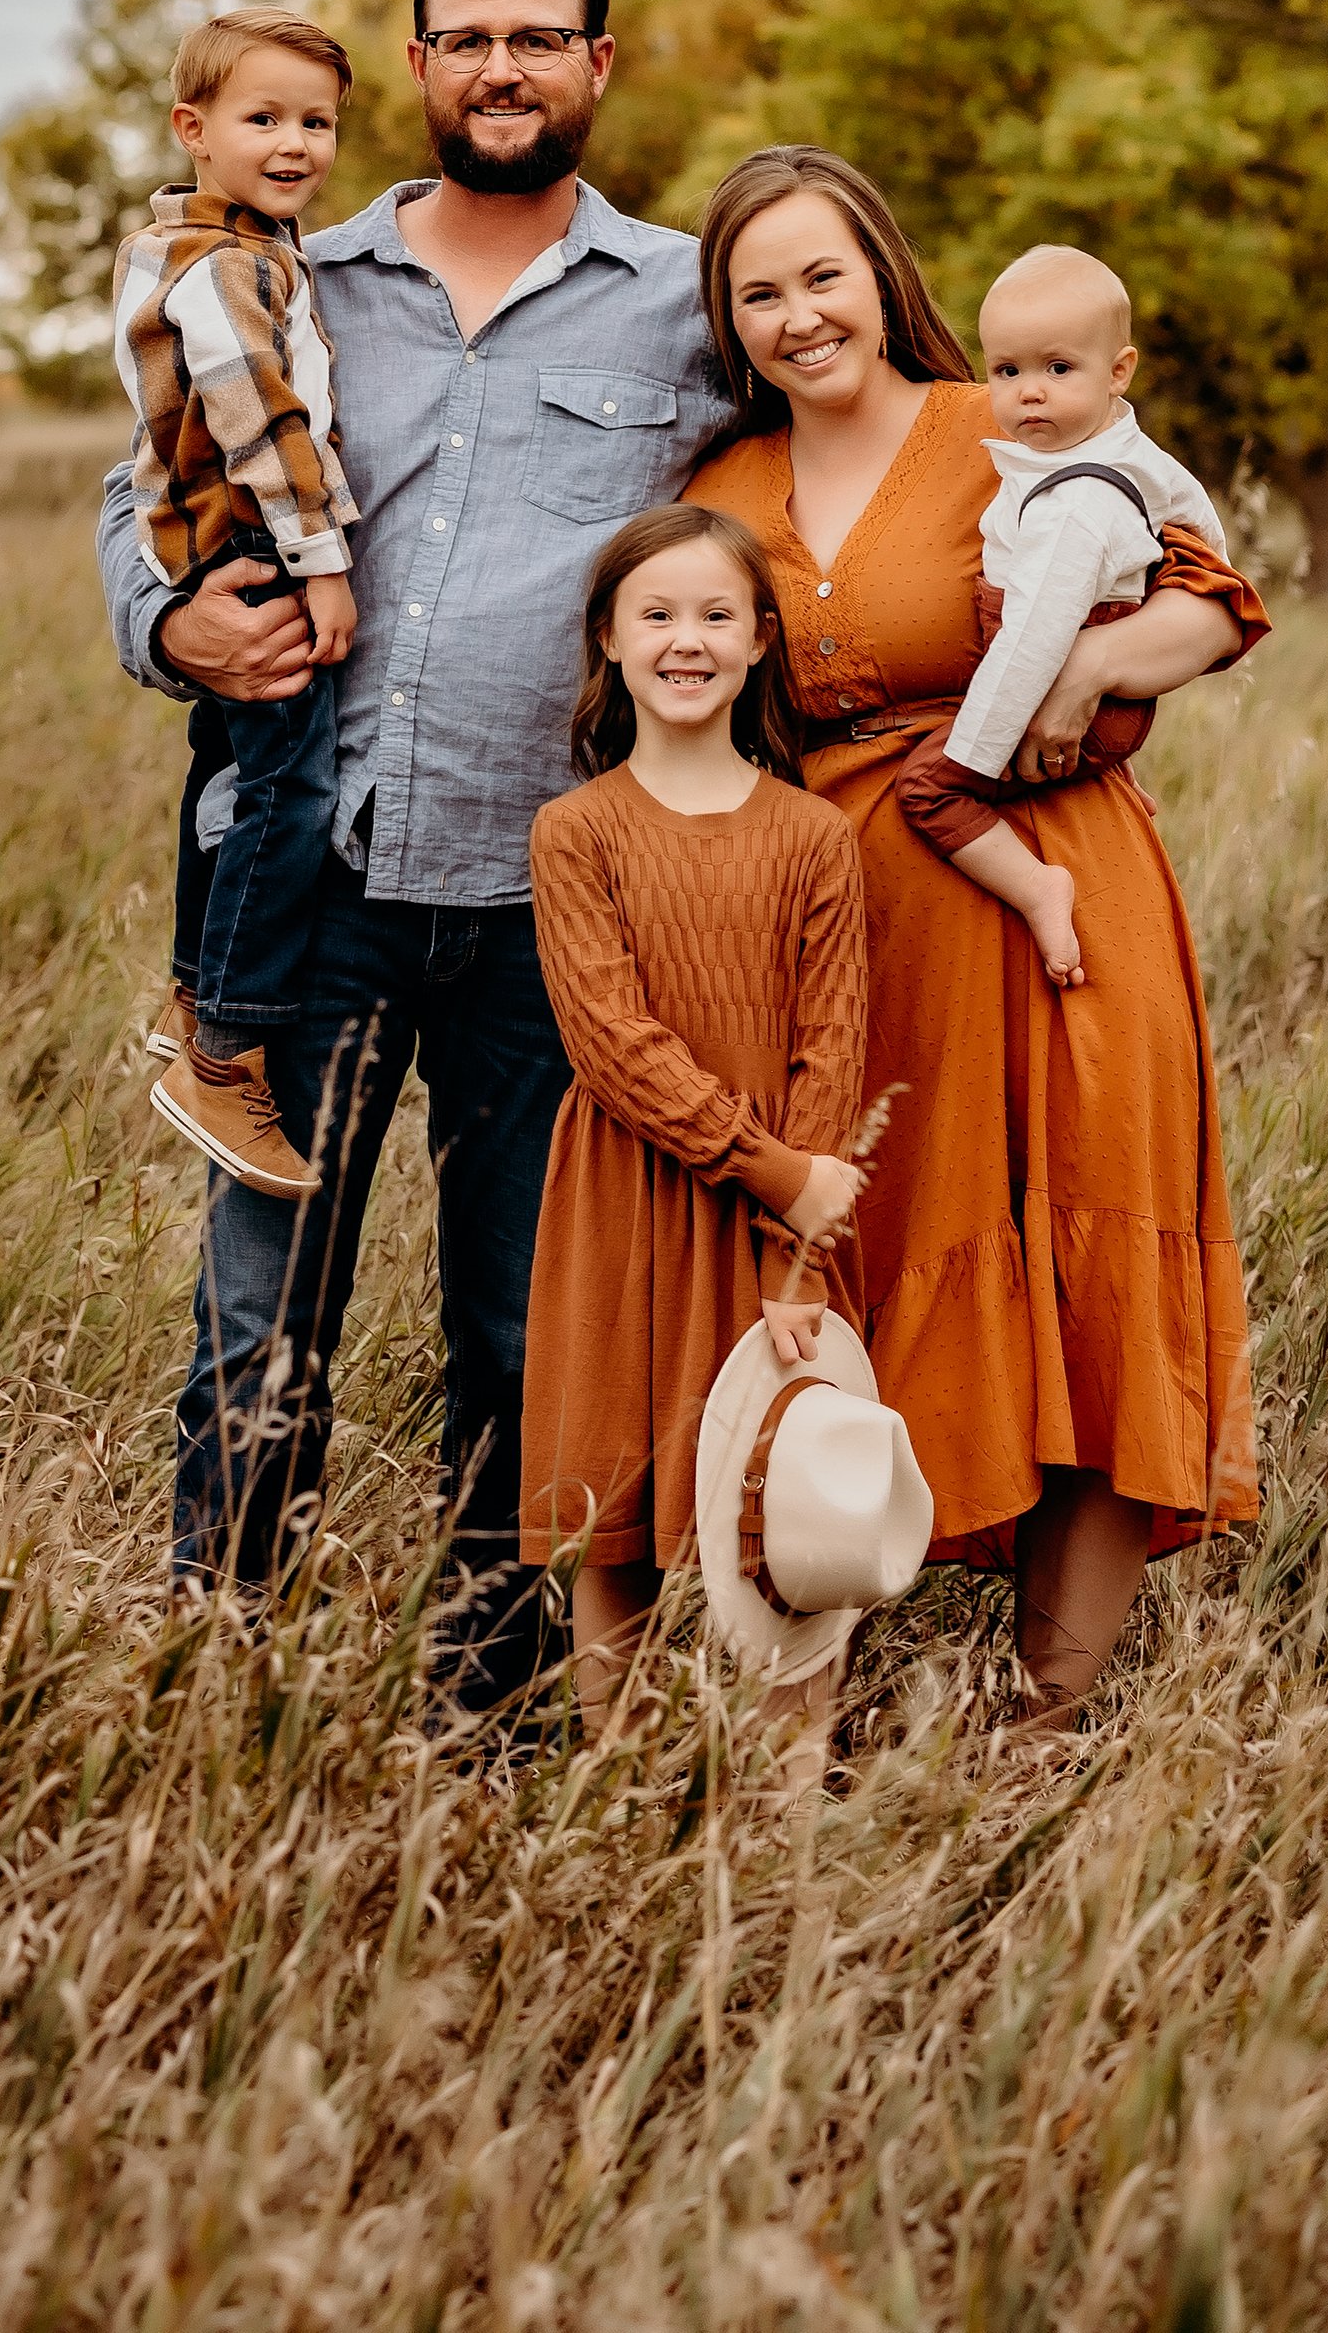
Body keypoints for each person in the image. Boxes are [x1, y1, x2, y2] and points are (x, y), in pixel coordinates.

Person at [96, 0, 730, 1709]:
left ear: (597, 67)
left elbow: (858, 448)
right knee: (259, 1316)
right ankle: (219, 1680)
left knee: (526, 1330)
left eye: (542, 38)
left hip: (561, 902)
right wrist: (169, 622)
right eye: (469, 38)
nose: (504, 68)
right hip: (322, 881)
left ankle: (498, 1707)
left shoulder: (688, 306)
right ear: (425, 63)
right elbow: (141, 488)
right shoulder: (299, 274)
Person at [685, 146, 1269, 1732]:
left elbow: (1220, 593)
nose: (802, 314)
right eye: (761, 291)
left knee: (1088, 1250)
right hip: (849, 923)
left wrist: (1102, 667)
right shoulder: (720, 490)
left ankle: (1047, 1718)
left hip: (1066, 886)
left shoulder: (1002, 419)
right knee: (859, 1266)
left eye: (826, 274)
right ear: (728, 324)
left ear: (885, 274)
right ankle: (825, 1678)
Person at [520, 506, 867, 1762]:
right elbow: (609, 1044)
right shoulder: (577, 832)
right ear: (607, 640)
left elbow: (833, 1050)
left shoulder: (815, 836)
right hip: (623, 1194)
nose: (686, 640)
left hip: (781, 1233)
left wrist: (805, 1248)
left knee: (784, 1494)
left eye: (716, 615)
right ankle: (616, 1769)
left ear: (762, 642)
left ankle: (784, 1792)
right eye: (656, 615)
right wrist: (778, 1169)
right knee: (609, 1493)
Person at [113, 9, 359, 1193]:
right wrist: (321, 561)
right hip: (252, 543)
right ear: (192, 129)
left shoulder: (248, 247)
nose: (296, 142)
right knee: (288, 782)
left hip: (229, 539)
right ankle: (225, 1049)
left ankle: (188, 988)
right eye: (264, 118)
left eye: (316, 121)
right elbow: (261, 417)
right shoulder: (223, 268)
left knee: (228, 773)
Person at [893, 243, 1226, 992]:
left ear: (1119, 371)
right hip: (1101, 702)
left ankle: (1038, 889)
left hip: (1052, 692)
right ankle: (1111, 777)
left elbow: (1036, 640)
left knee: (926, 792)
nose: (1028, 393)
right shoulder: (1125, 452)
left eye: (1057, 369)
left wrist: (975, 752)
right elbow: (1201, 525)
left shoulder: (1077, 504)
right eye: (1007, 371)